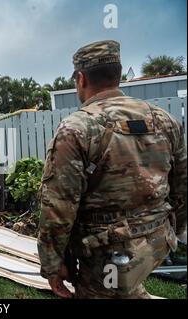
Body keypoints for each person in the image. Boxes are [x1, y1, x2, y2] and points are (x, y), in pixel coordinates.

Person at [37, 40, 187, 299]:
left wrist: (52, 264)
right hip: (156, 241)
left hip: (104, 254)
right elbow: (183, 184)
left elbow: (58, 207)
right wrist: (172, 228)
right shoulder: (166, 120)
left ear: (81, 79)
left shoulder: (76, 129)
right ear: (118, 76)